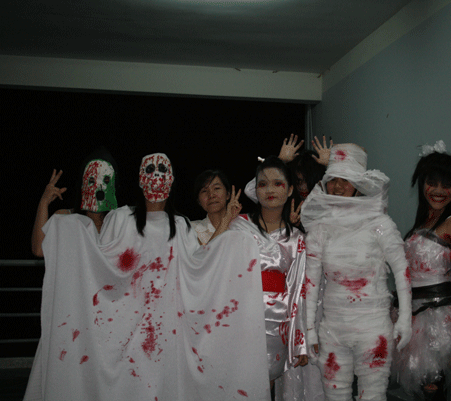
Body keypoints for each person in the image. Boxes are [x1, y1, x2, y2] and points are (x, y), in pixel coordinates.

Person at [25, 152, 272, 400]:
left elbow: (203, 263)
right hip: (125, 332)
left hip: (166, 333)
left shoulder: (181, 225)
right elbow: (96, 265)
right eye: (150, 170)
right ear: (140, 180)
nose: (156, 177)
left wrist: (228, 225)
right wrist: (53, 209)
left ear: (171, 180)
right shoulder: (120, 218)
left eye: (163, 171)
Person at [301, 143, 412, 401]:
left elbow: (401, 269)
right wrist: (309, 329)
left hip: (372, 328)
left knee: (372, 396)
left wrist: (405, 318)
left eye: (346, 180)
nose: (338, 187)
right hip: (333, 330)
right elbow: (311, 280)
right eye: (333, 180)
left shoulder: (379, 223)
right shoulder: (320, 228)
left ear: (359, 184)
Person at [393, 141, 451, 401]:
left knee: (433, 388)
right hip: (412, 314)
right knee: (420, 389)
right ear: (422, 184)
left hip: (437, 320)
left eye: (447, 184)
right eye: (433, 182)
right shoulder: (422, 222)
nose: (440, 191)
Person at [229, 156, 309, 389]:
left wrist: (300, 341)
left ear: (290, 190)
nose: (270, 190)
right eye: (263, 184)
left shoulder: (297, 239)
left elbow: (298, 292)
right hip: (239, 315)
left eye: (278, 183)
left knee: (266, 385)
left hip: (277, 321)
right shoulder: (238, 225)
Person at [32, 148, 118, 256]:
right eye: (92, 180)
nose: (98, 187)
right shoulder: (65, 219)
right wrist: (44, 202)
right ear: (82, 184)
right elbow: (39, 249)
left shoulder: (118, 222)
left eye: (106, 180)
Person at [191, 169, 241, 245]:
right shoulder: (191, 229)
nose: (211, 195)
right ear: (198, 201)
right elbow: (205, 252)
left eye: (217, 188)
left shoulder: (243, 226)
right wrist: (226, 220)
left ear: (228, 194)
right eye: (204, 191)